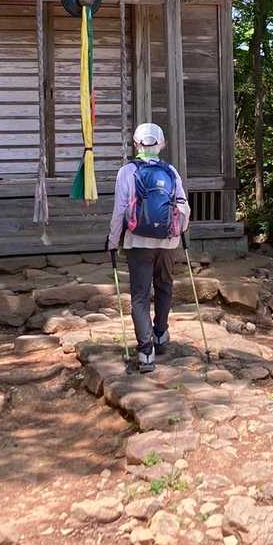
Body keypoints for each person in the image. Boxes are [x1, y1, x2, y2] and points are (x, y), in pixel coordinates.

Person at [107, 123, 191, 374]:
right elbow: (183, 206)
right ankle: (161, 334)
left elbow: (120, 211)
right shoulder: (170, 171)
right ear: (161, 145)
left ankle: (145, 353)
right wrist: (181, 230)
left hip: (137, 241)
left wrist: (113, 241)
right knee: (164, 286)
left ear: (136, 144)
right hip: (168, 241)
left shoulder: (127, 172)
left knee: (140, 295)